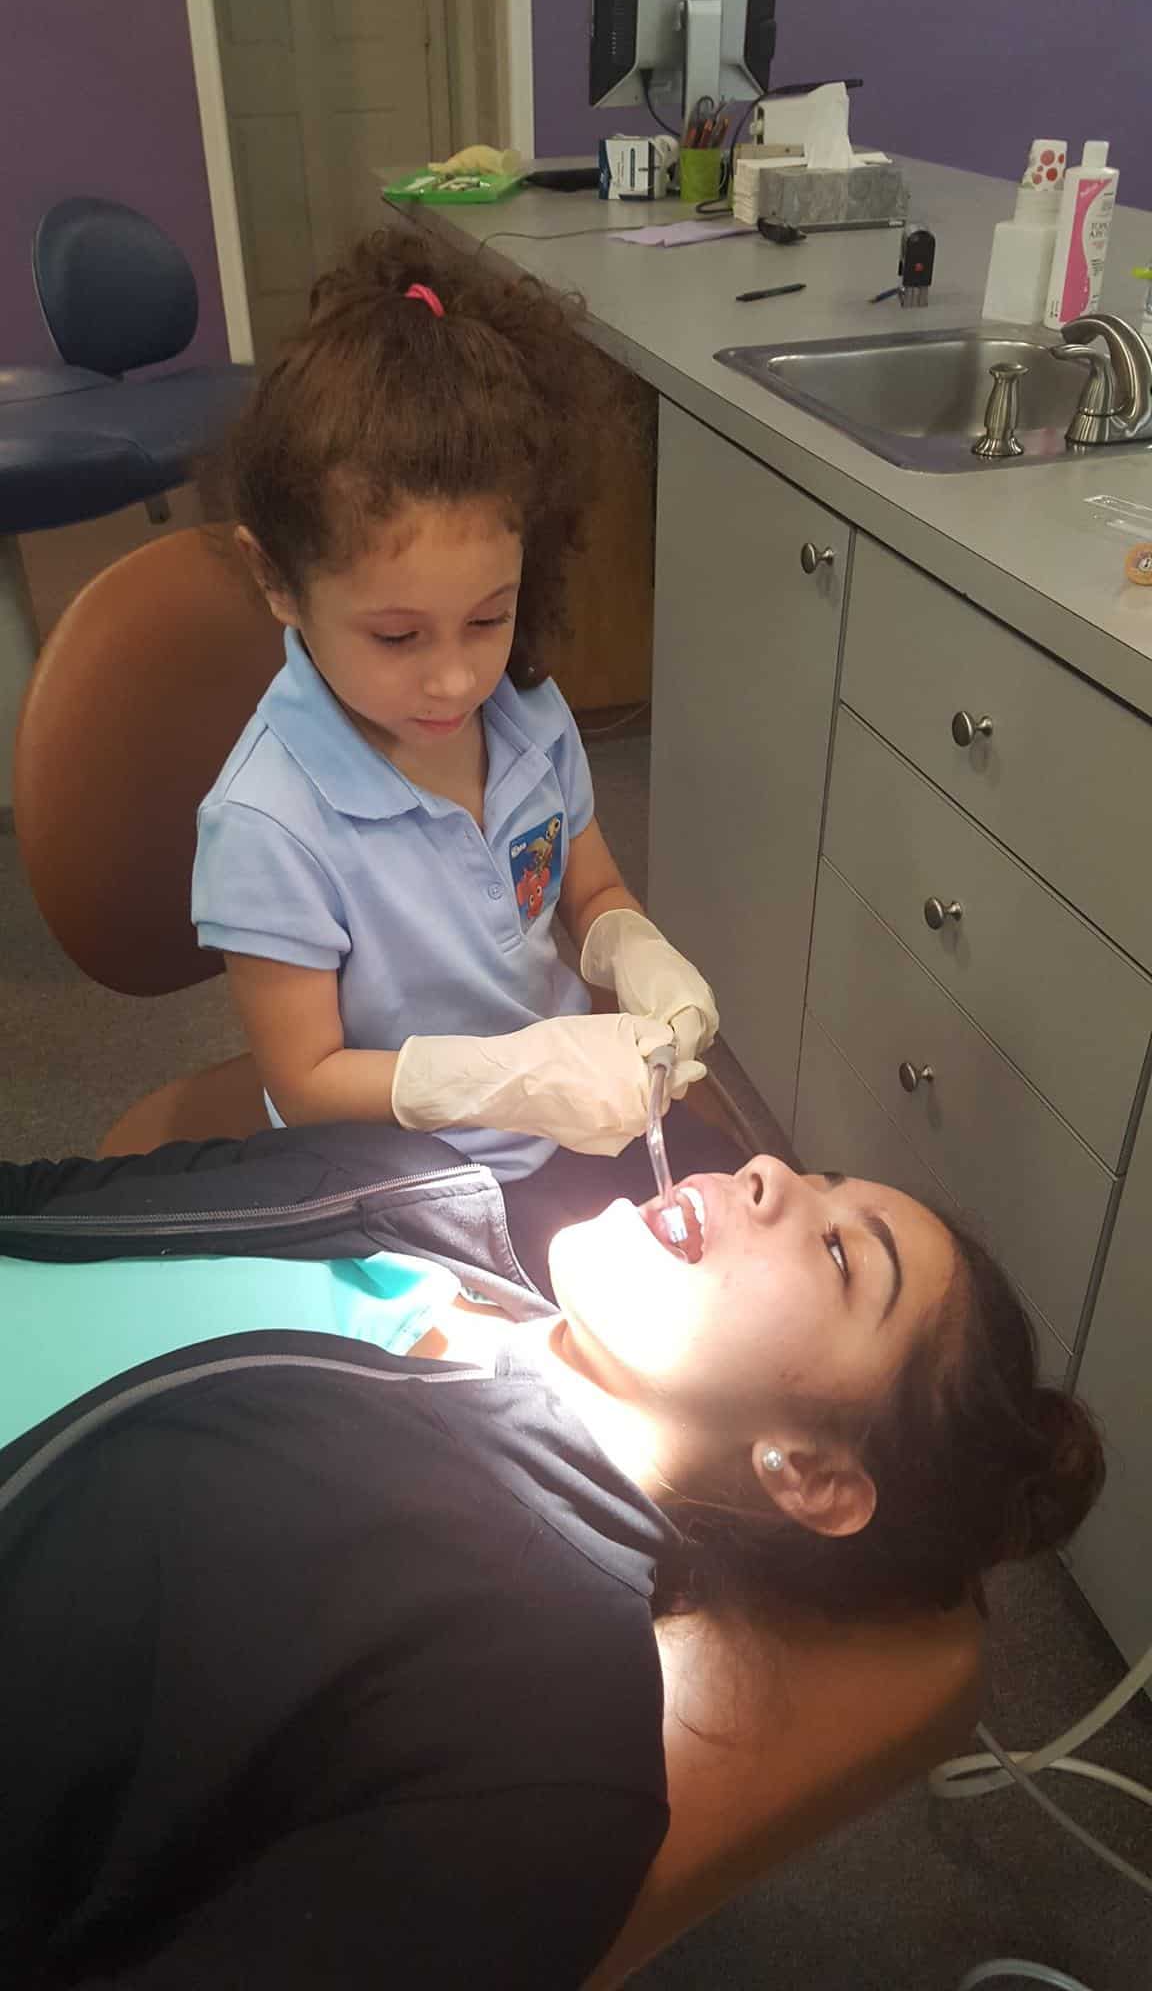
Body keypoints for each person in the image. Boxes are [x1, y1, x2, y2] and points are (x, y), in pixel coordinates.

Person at [0, 1124, 1104, 1988]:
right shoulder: (406, 1181)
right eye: (816, 1174)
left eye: (837, 1250)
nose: (767, 1169)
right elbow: (43, 1202)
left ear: (809, 1474)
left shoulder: (542, 1746)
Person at [192, 223, 730, 1209]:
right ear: (276, 577)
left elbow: (589, 882)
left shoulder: (523, 711)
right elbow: (303, 1079)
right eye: (397, 637)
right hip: (391, 1165)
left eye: (489, 617)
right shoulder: (271, 822)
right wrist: (502, 1078)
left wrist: (632, 947)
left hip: (562, 1123)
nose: (454, 680)